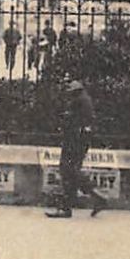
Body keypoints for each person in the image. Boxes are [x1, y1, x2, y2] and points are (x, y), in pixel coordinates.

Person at [47, 79, 107, 218]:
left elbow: (72, 120)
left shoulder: (78, 101)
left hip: (74, 139)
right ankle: (93, 198)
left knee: (68, 170)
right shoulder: (85, 100)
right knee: (71, 171)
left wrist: (63, 119)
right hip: (80, 140)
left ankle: (91, 197)